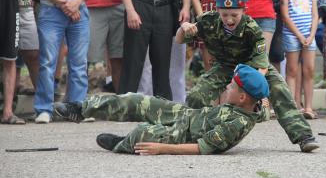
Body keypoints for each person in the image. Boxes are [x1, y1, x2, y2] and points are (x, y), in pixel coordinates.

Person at [177, 0, 320, 153]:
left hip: (252, 68)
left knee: (280, 89)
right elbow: (179, 40)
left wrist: (257, 94)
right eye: (225, 15)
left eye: (234, 15)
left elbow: (261, 66)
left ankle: (303, 136)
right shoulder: (208, 21)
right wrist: (183, 27)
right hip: (224, 66)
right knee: (196, 95)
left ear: (243, 11)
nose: (229, 20)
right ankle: (190, 133)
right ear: (217, 10)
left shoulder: (252, 29)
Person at [56, 64, 270, 155]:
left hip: (184, 136)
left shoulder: (236, 124)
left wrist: (161, 148)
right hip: (187, 115)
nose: (227, 86)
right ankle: (81, 109)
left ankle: (123, 143)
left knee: (143, 134)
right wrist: (262, 94)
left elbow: (202, 148)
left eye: (232, 86)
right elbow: (261, 108)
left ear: (242, 97)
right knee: (137, 100)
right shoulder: (252, 106)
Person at [281, 0, 318, 119]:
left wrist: (310, 35)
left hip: (308, 36)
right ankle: (293, 107)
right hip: (292, 35)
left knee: (309, 70)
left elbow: (315, 16)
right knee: (292, 69)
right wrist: (299, 35)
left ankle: (309, 107)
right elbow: (285, 15)